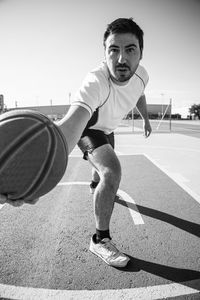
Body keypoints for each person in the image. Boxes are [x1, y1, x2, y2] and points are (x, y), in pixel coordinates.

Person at [0, 17, 152, 268]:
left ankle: (94, 185)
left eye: (130, 49)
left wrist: (146, 119)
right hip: (89, 127)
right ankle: (100, 240)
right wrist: (27, 170)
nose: (122, 59)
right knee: (111, 171)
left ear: (141, 54)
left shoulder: (142, 76)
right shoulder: (96, 81)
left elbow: (140, 94)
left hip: (109, 128)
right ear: (105, 54)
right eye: (113, 50)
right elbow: (70, 127)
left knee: (100, 171)